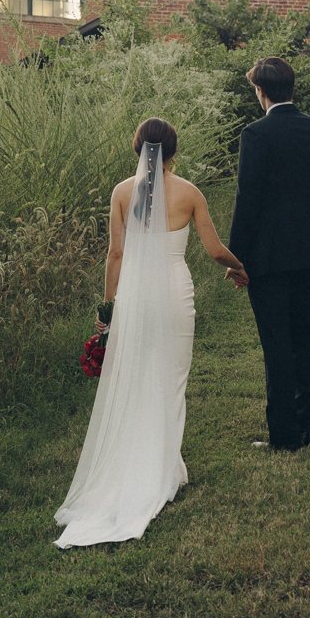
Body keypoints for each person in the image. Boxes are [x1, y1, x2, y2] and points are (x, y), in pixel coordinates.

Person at [53, 118, 248, 548]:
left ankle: (150, 466)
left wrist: (108, 311)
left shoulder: (122, 192)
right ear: (174, 151)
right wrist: (237, 266)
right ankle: (163, 470)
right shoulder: (190, 192)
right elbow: (215, 250)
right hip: (175, 296)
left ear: (137, 148)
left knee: (138, 381)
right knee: (172, 381)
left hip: (136, 300)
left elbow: (116, 254)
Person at [228, 56, 310, 452]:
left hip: (268, 255)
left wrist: (234, 257)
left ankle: (285, 436)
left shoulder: (255, 135)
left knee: (276, 343)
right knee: (303, 336)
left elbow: (248, 200)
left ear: (261, 92)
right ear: (291, 88)